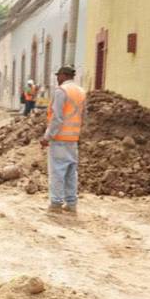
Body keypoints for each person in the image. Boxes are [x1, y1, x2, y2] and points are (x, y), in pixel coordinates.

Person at [39, 66, 86, 214]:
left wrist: (47, 137)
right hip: (73, 138)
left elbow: (57, 118)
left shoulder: (62, 91)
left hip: (59, 138)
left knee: (57, 171)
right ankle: (71, 203)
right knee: (71, 172)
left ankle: (56, 203)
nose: (57, 79)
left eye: (58, 76)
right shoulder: (81, 92)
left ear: (64, 75)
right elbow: (84, 116)